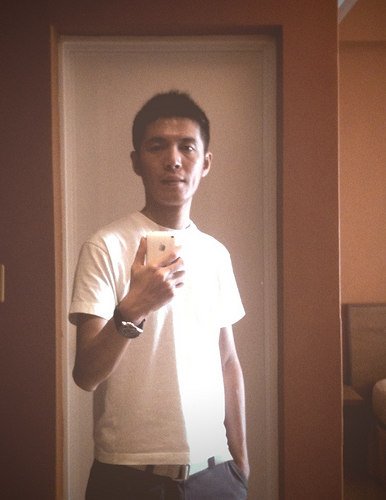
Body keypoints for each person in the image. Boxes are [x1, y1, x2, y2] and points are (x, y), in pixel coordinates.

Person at [69, 91, 249, 499]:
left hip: (216, 474)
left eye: (187, 146)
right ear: (136, 161)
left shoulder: (216, 254)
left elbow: (228, 360)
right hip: (128, 474)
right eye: (157, 146)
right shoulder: (106, 246)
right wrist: (135, 308)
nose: (173, 159)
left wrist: (241, 462)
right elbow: (86, 376)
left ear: (205, 163)